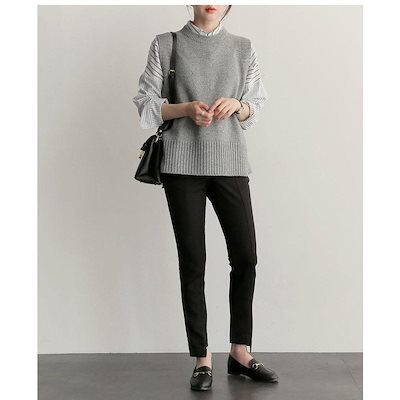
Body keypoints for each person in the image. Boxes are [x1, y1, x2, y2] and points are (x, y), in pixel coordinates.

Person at [132, 4, 278, 391]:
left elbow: (257, 106)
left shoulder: (243, 47)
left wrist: (239, 105)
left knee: (246, 257)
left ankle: (240, 352)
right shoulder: (167, 44)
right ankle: (202, 358)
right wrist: (185, 109)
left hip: (231, 162)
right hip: (181, 166)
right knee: (193, 261)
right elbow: (145, 104)